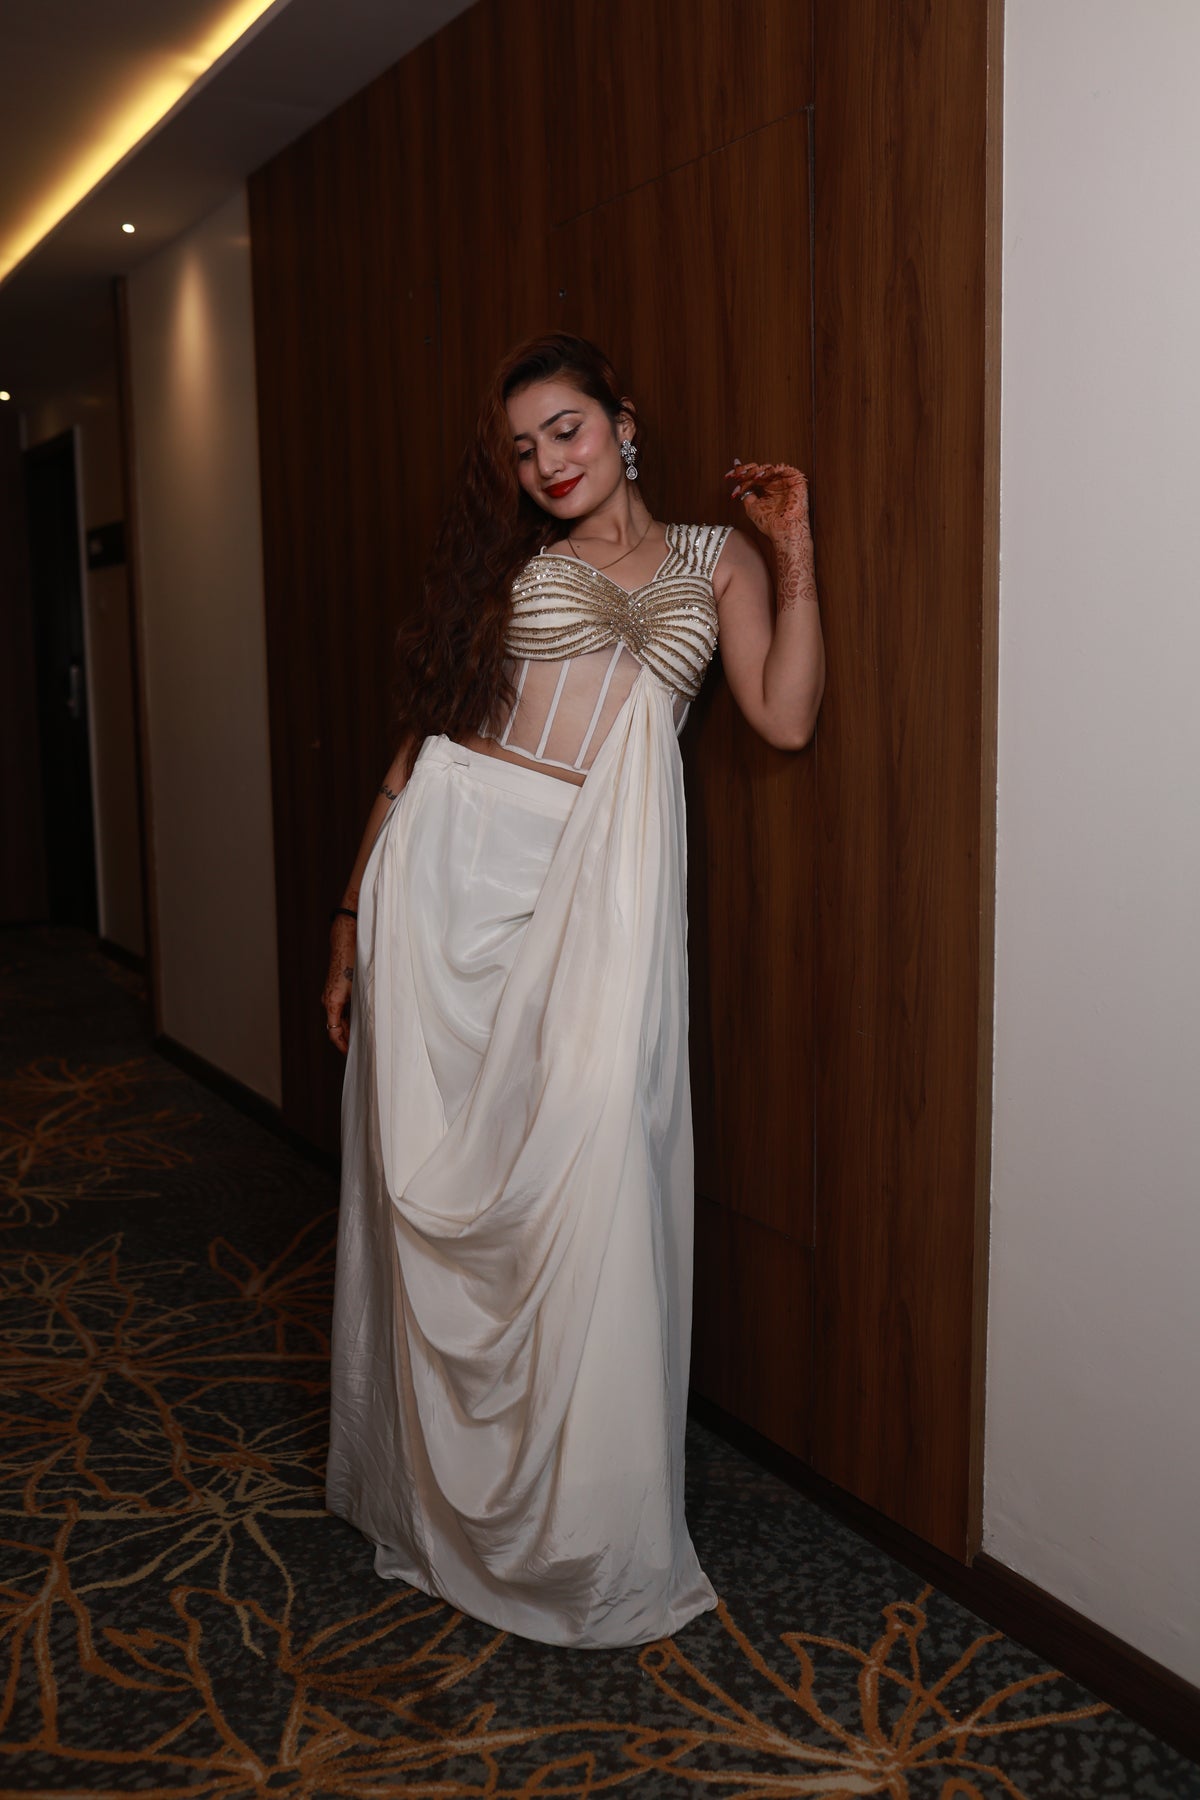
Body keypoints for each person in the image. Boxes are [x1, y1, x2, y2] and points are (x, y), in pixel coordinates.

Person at [320, 333, 824, 1648]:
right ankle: (454, 1502)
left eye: (567, 429)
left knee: (593, 1167)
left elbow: (783, 715)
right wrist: (350, 915)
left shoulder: (716, 558)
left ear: (622, 421)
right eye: (524, 447)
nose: (548, 461)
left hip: (604, 900)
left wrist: (793, 550)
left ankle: (584, 1528)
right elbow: (425, 744)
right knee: (445, 1183)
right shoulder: (513, 568)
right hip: (455, 872)